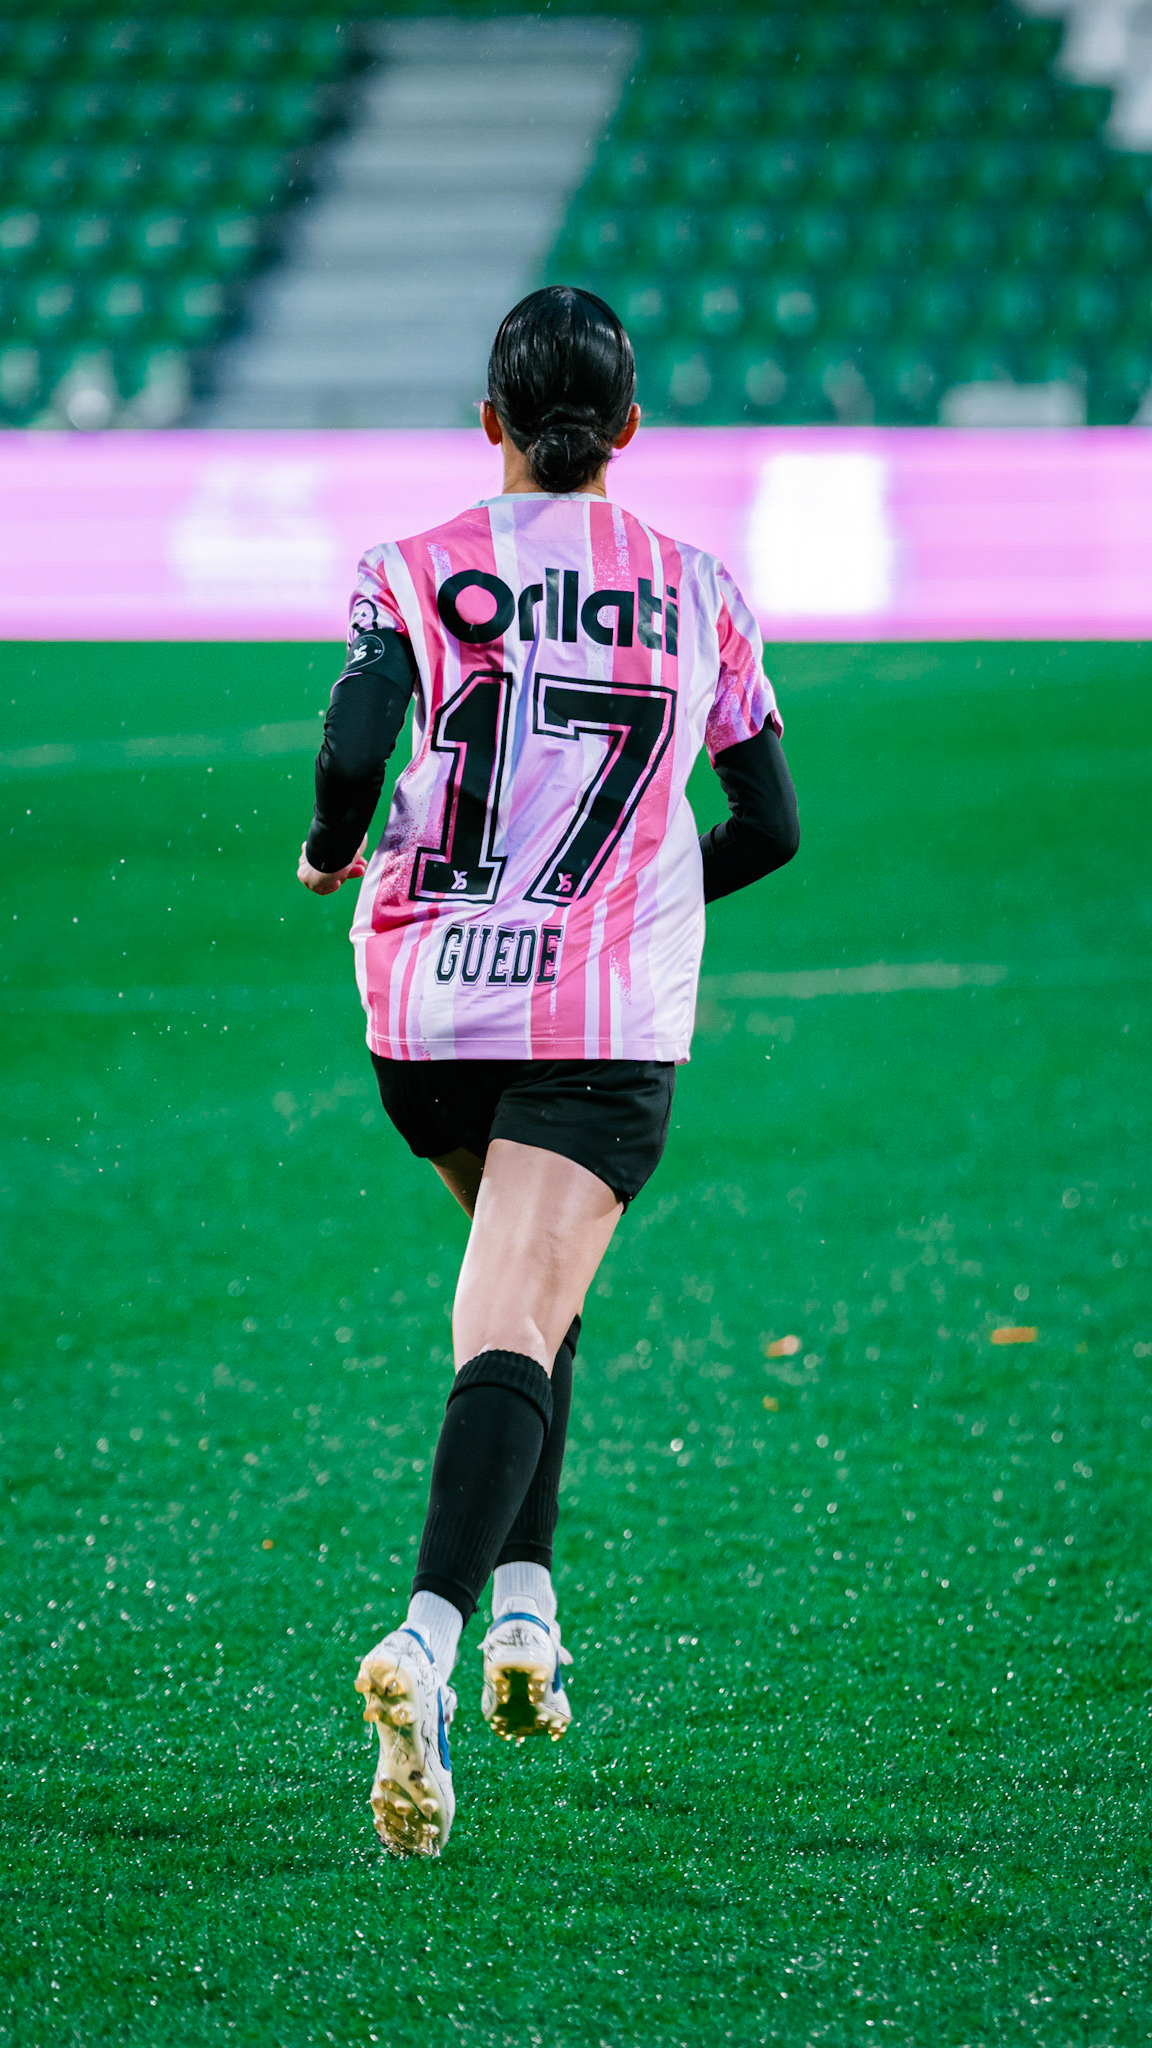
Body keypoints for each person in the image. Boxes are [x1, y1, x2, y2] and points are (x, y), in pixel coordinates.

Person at [298, 286, 799, 1857]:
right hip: (595, 1022)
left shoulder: (411, 565)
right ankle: (431, 1641)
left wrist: (327, 846)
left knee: (524, 1290)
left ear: (489, 423)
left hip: (425, 1013)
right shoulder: (695, 586)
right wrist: (633, 902)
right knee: (520, 1307)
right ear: (629, 429)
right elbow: (771, 824)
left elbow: (351, 747)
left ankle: (527, 1613)